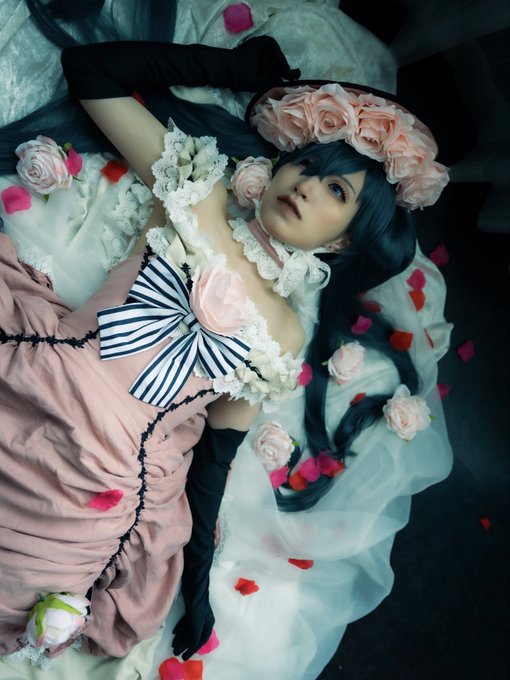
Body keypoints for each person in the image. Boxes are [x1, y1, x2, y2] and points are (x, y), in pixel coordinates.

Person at [0, 2, 453, 678]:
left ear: (339, 242)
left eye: (335, 191)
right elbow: (89, 69)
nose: (306, 185)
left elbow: (214, 458)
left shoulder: (282, 335)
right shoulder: (194, 189)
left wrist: (197, 586)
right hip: (42, 378)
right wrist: (233, 69)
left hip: (104, 476)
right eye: (307, 165)